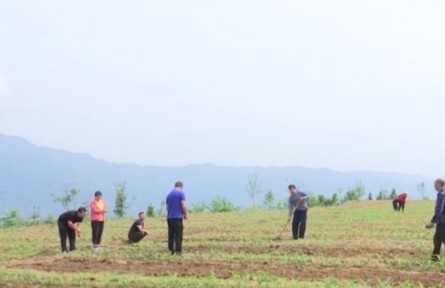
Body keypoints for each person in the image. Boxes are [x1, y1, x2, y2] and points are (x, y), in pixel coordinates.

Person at [166, 181, 188, 255]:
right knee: (178, 234)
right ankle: (178, 250)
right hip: (177, 217)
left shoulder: (169, 195)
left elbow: (167, 207)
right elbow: (183, 205)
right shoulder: (181, 193)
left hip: (169, 217)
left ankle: (171, 250)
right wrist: (185, 214)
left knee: (171, 234)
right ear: (181, 187)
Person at [426, 179, 445, 262]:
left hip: (442, 221)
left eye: (435, 184)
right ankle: (434, 258)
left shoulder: (442, 194)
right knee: (437, 238)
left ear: (439, 184)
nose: (434, 186)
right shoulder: (441, 194)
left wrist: (433, 221)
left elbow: (440, 209)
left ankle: (434, 258)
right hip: (441, 220)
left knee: (441, 238)